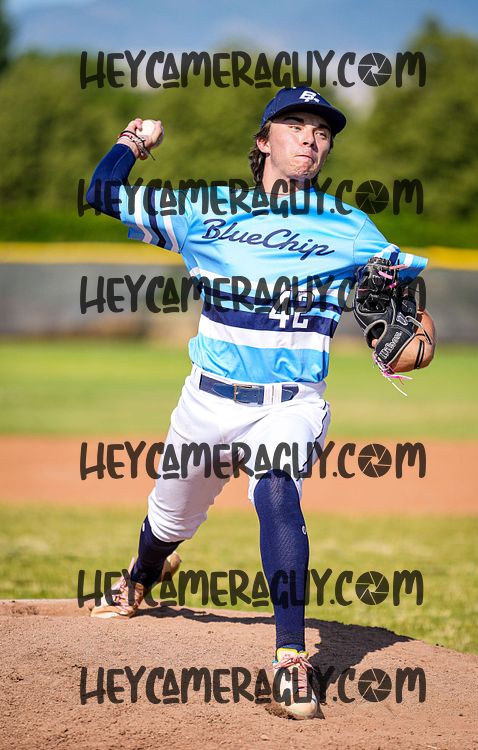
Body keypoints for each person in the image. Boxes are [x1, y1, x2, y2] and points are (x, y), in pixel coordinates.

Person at [86, 86, 435, 719]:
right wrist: (133, 142)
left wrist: (412, 327)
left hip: (291, 404)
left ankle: (290, 659)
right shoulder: (207, 211)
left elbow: (406, 292)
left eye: (322, 131)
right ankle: (138, 578)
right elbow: (102, 194)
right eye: (295, 124)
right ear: (262, 140)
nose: (310, 137)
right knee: (167, 523)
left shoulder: (349, 227)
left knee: (277, 487)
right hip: (207, 401)